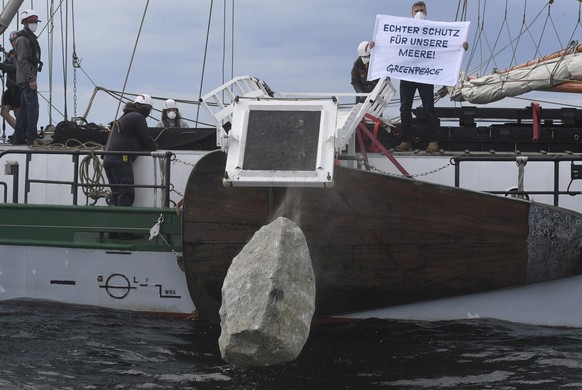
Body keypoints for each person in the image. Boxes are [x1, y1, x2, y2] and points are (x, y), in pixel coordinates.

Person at [393, 1, 469, 153]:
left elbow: (444, 45)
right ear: (412, 13)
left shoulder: (433, 29)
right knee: (404, 109)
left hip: (425, 75)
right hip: (408, 74)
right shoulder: (405, 29)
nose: (419, 13)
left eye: (421, 10)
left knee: (429, 109)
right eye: (417, 10)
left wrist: (460, 46)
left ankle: (433, 141)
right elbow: (393, 43)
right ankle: (406, 140)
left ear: (426, 12)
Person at [103, 94, 158, 207]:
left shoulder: (124, 117)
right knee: (125, 191)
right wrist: (154, 147)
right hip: (120, 158)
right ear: (137, 106)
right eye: (146, 107)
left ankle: (112, 217)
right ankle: (123, 218)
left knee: (115, 192)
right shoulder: (138, 117)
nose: (147, 110)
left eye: (149, 108)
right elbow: (145, 137)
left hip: (108, 158)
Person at [13, 9, 42, 145]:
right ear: (25, 23)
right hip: (27, 79)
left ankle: (18, 137)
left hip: (26, 77)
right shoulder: (23, 39)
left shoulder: (27, 37)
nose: (34, 24)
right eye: (32, 22)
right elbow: (23, 60)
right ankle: (31, 137)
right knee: (33, 107)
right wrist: (31, 79)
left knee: (25, 108)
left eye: (35, 22)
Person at [0, 32, 21, 132]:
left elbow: (15, 67)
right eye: (12, 41)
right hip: (10, 87)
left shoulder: (22, 53)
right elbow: (5, 65)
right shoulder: (11, 53)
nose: (14, 42)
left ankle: (21, 132)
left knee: (18, 113)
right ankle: (19, 131)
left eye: (16, 40)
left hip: (18, 87)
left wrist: (3, 66)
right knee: (3, 111)